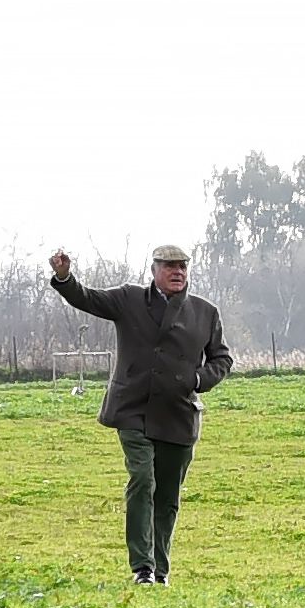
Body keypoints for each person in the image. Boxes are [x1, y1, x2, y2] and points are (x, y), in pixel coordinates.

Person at [47, 244, 234, 584]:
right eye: (169, 266)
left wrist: (197, 379)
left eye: (182, 267)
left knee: (167, 495)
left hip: (178, 413)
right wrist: (64, 277)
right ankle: (142, 568)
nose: (177, 272)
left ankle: (160, 570)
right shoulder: (128, 299)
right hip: (132, 408)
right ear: (154, 270)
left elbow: (222, 359)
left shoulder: (205, 313)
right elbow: (87, 298)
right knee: (142, 480)